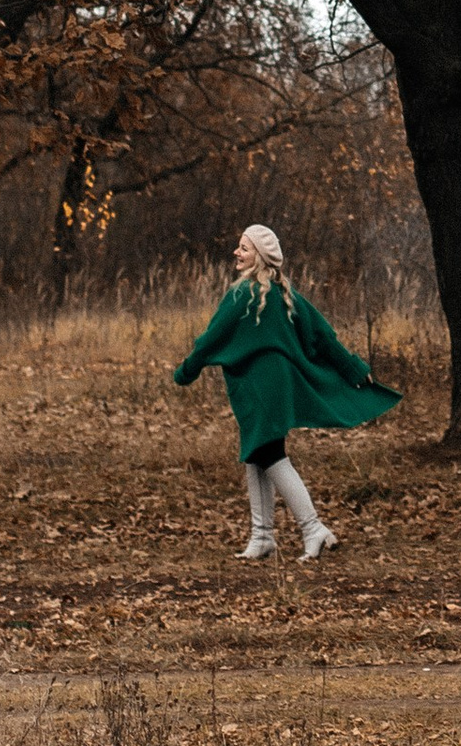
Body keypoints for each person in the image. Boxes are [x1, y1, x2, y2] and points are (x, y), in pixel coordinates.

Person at [171, 225, 399, 559]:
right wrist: (353, 369)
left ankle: (313, 528)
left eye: (244, 248)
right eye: (238, 247)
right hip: (273, 385)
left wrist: (185, 371)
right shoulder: (285, 293)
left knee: (270, 456)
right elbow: (323, 335)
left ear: (260, 257)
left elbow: (210, 339)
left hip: (259, 387)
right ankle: (262, 537)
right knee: (258, 452)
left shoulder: (242, 294)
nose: (237, 252)